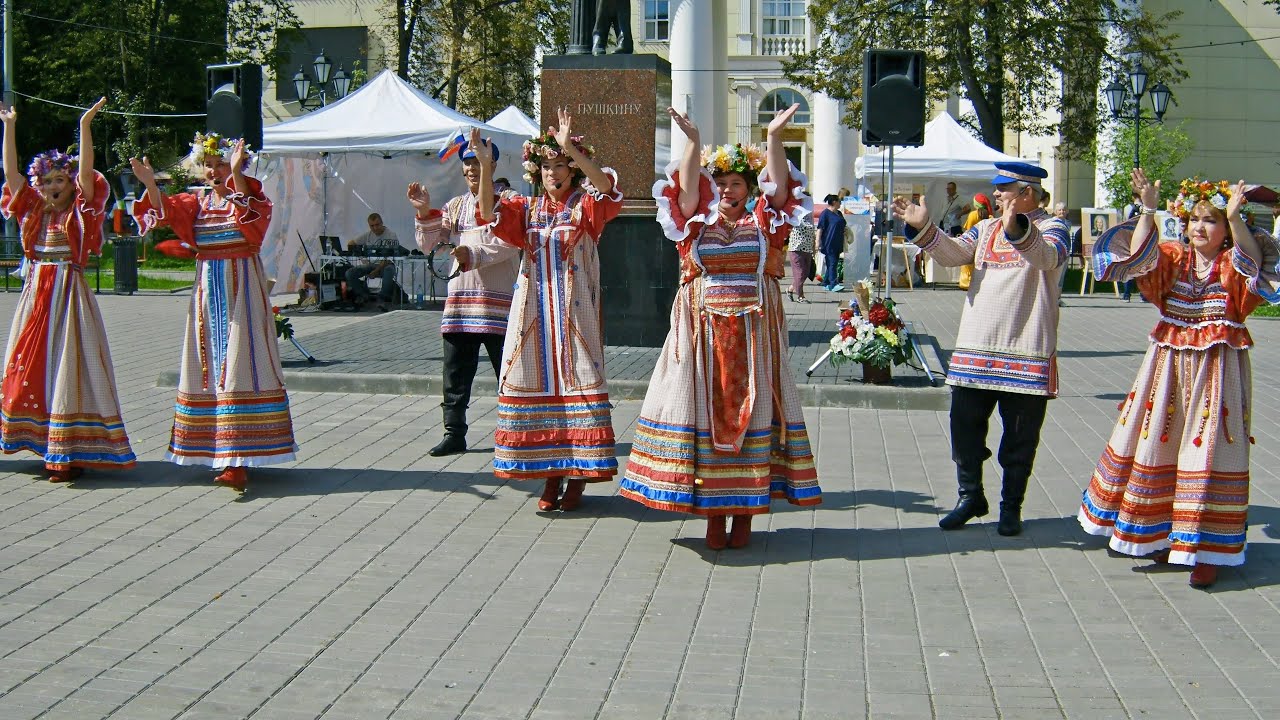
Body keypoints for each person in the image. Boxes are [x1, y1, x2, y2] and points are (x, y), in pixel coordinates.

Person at [619, 105, 821, 549]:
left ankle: (745, 514)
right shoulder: (694, 224)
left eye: (737, 184)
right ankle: (713, 515)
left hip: (753, 337)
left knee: (756, 419)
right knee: (702, 415)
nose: (729, 190)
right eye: (723, 183)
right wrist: (691, 141)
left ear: (749, 190)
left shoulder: (765, 222)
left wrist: (772, 136)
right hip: (703, 336)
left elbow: (783, 189)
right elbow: (687, 188)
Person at [1078, 171, 1278, 589]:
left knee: (1208, 451)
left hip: (1217, 368)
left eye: (1211, 221)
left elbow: (1254, 263)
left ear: (1225, 230)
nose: (1200, 228)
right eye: (1194, 220)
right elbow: (1136, 261)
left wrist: (1238, 215)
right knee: (1157, 440)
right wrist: (1148, 210)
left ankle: (1206, 549)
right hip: (1168, 364)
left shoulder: (1231, 262)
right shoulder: (1174, 257)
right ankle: (1165, 532)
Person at [892, 161, 1069, 536]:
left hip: (1026, 352)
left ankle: (1011, 507)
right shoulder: (986, 228)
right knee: (964, 429)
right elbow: (954, 254)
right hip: (976, 350)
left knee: (1020, 438)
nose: (997, 193)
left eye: (1004, 188)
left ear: (1027, 193)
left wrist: (1016, 229)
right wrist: (924, 227)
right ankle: (971, 496)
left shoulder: (1054, 228)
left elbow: (1045, 257)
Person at [131, 133, 298, 492]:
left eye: (220, 163)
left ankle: (238, 454)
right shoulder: (197, 204)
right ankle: (217, 450)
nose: (213, 171)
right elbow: (163, 216)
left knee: (241, 363)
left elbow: (253, 221)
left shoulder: (251, 198)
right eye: (208, 165)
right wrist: (150, 184)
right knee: (209, 366)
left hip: (242, 290)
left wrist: (236, 174)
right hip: (209, 292)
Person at [474, 112, 622, 512]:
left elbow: (607, 188)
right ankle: (550, 475)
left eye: (559, 165)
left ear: (572, 171)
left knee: (578, 384)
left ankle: (577, 477)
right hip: (535, 309)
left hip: (575, 310)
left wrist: (570, 145)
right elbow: (487, 214)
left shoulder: (585, 205)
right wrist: (487, 167)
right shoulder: (527, 206)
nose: (552, 173)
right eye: (545, 166)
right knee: (539, 383)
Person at [0, 98, 136, 482]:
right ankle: (42, 439)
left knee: (68, 364)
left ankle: (67, 446)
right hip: (36, 295)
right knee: (32, 364)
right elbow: (10, 172)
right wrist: (9, 127)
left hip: (69, 295)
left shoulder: (79, 212)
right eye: (47, 181)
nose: (53, 187)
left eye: (60, 180)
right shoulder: (30, 209)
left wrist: (85, 126)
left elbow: (88, 172)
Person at [409, 137, 520, 457]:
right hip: (460, 305)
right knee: (455, 375)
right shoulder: (455, 205)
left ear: (493, 164)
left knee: (509, 375)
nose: (472, 168)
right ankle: (453, 433)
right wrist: (423, 212)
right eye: (468, 163)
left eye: (479, 161)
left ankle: (515, 434)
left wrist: (470, 252)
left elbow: (509, 244)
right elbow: (430, 245)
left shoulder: (509, 200)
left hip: (498, 304)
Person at [345, 212, 402, 309]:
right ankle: (363, 295)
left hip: (385, 265)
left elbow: (388, 259)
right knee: (350, 273)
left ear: (382, 223)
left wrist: (376, 271)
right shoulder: (368, 235)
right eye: (372, 226)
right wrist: (362, 257)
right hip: (371, 265)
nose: (375, 228)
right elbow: (350, 244)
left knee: (389, 270)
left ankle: (382, 297)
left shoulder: (391, 235)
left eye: (377, 225)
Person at [956, 193, 993, 290]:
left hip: (973, 243)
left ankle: (966, 282)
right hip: (984, 243)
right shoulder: (990, 216)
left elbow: (968, 230)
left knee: (967, 265)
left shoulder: (973, 214)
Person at [817, 194, 846, 291]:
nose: (841, 203)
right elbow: (820, 228)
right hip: (829, 242)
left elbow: (843, 224)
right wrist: (818, 242)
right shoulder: (825, 213)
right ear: (834, 202)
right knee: (832, 263)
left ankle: (826, 283)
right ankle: (833, 283)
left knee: (832, 262)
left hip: (838, 242)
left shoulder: (839, 213)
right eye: (839, 201)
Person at [788, 208, 816, 303]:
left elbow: (813, 234)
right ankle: (800, 296)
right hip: (796, 248)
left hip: (807, 249)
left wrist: (813, 248)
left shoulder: (810, 217)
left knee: (806, 272)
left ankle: (791, 289)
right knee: (800, 273)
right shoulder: (795, 216)